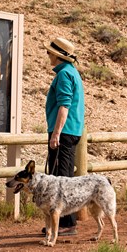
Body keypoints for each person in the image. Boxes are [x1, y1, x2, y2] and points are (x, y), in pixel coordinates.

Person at [43, 36, 85, 235]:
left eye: (50, 52)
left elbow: (64, 106)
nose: (48, 55)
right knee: (65, 176)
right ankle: (67, 222)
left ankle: (67, 223)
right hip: (72, 131)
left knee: (61, 178)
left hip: (64, 132)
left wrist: (56, 133)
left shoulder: (63, 75)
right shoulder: (72, 72)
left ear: (58, 56)